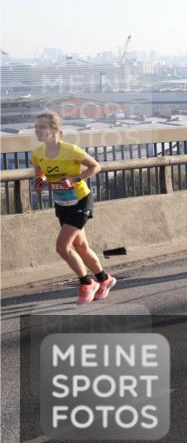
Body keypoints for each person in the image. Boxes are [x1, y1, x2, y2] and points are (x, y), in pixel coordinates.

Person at [31, 112, 116, 305]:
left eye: (42, 127)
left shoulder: (71, 150)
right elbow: (40, 175)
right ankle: (105, 279)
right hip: (62, 204)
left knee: (62, 247)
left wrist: (74, 178)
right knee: (81, 247)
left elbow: (95, 167)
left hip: (81, 201)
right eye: (36, 127)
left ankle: (87, 283)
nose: (37, 130)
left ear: (55, 130)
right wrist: (41, 182)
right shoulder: (37, 154)